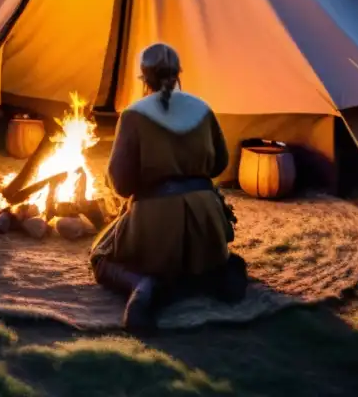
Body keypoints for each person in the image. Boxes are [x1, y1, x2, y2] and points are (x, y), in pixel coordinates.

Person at [89, 43, 246, 332]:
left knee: (101, 255)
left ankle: (142, 285)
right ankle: (213, 272)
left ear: (144, 78)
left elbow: (121, 184)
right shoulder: (202, 108)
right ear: (178, 74)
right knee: (209, 255)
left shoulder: (133, 115)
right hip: (205, 215)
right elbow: (219, 164)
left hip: (156, 220)